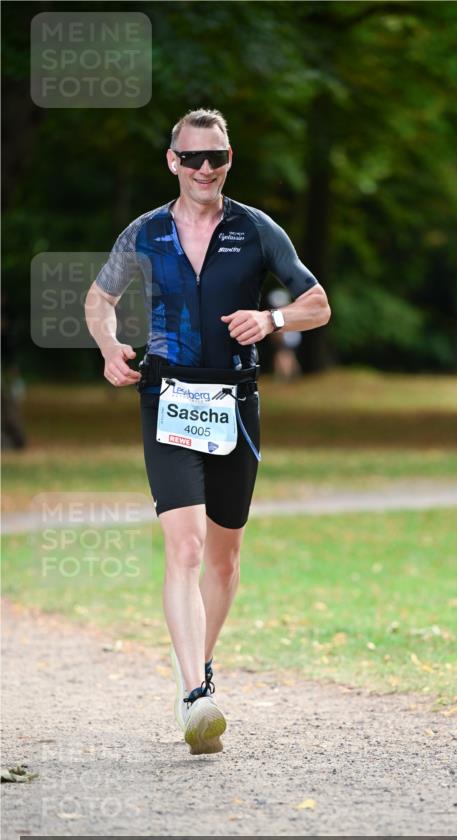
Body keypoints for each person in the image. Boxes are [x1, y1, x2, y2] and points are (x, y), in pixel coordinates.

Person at [85, 108, 331, 753]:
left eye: (214, 157)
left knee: (223, 558)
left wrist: (273, 320)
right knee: (186, 549)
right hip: (166, 395)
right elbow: (98, 299)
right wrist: (110, 348)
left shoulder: (255, 230)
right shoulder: (144, 233)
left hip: (236, 402)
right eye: (191, 157)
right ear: (172, 162)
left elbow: (318, 302)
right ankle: (196, 694)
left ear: (228, 160)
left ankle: (199, 666)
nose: (203, 169)